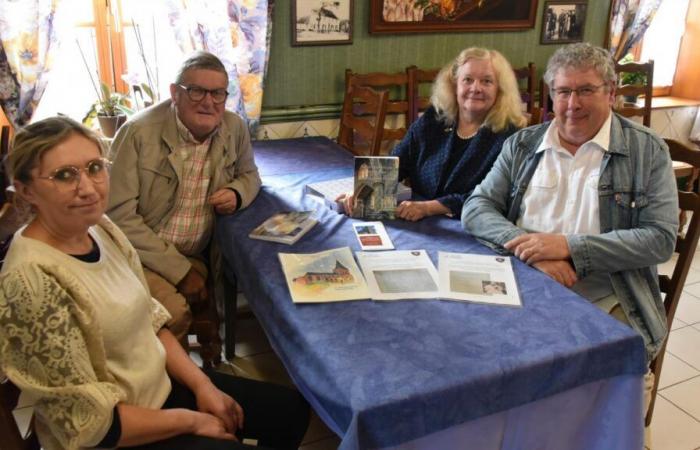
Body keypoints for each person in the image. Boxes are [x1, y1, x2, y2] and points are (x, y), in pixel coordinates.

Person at [0, 117, 309, 450]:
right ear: (26, 189)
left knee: (291, 411)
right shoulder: (31, 279)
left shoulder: (100, 228)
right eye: (64, 175)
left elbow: (152, 321)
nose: (88, 188)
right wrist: (193, 420)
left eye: (93, 167)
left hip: (157, 390)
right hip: (113, 432)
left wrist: (203, 385)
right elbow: (90, 426)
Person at [462, 43, 678, 413]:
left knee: (601, 391)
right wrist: (529, 250)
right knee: (467, 363)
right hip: (524, 280)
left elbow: (659, 239)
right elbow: (476, 207)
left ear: (611, 93)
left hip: (610, 294)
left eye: (586, 90)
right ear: (552, 95)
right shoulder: (524, 144)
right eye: (563, 91)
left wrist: (569, 247)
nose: (572, 103)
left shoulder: (647, 151)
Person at [107, 51, 261, 344]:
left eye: (217, 93)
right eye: (196, 91)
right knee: (172, 313)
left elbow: (251, 176)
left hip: (196, 254)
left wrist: (236, 193)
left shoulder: (234, 127)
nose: (208, 102)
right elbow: (117, 217)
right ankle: (165, 385)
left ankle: (185, 378)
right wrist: (180, 271)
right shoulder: (138, 133)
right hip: (141, 255)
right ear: (175, 94)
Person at [339, 47, 527, 221]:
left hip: (468, 228)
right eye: (467, 79)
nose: (475, 88)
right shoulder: (434, 119)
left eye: (486, 81)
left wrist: (429, 208)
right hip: (421, 223)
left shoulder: (509, 137)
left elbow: (490, 197)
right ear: (455, 85)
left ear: (500, 90)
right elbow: (399, 160)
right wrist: (363, 189)